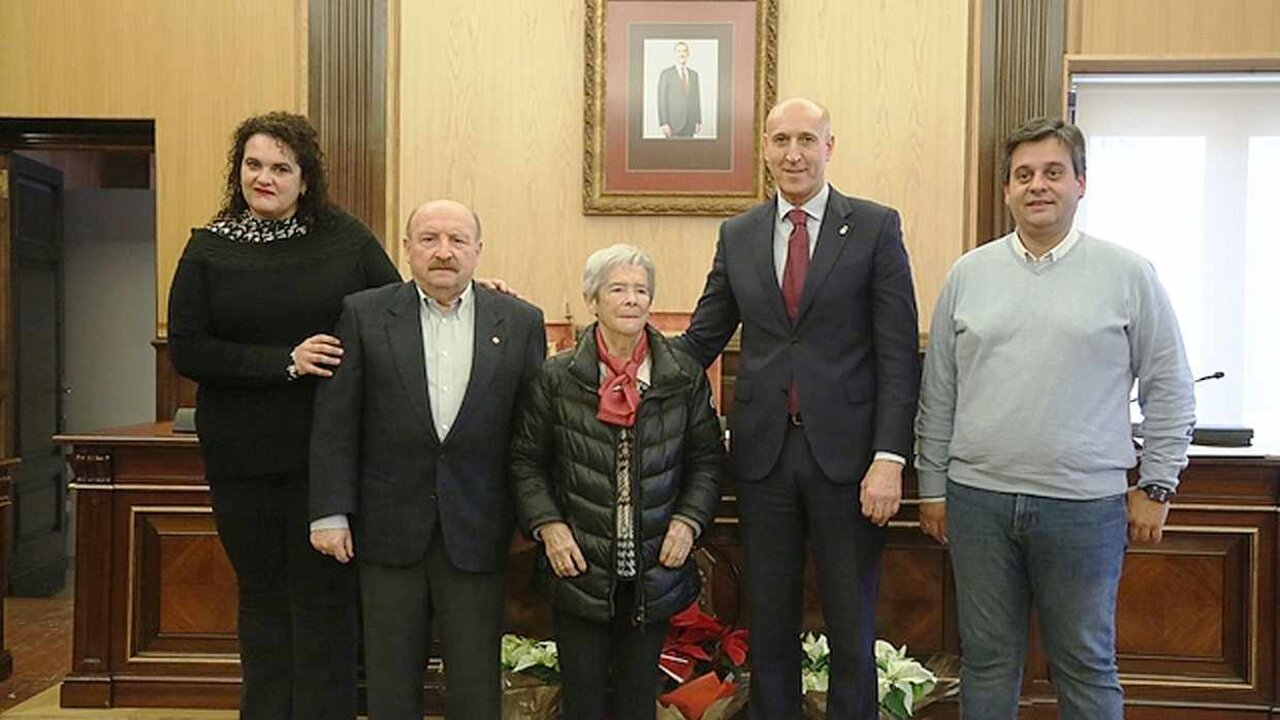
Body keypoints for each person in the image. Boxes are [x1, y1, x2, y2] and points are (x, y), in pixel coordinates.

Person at [915, 116, 1196, 720]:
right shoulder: (969, 275)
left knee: (1087, 664)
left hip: (1085, 509)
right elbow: (938, 394)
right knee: (986, 662)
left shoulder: (1128, 274)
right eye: (1023, 175)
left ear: (1081, 183)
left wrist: (1159, 483)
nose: (1037, 185)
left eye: (1052, 173)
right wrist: (932, 488)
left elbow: (1169, 387)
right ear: (1007, 191)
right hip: (978, 503)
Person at [674, 97, 921, 719]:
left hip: (852, 465)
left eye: (807, 140)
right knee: (770, 620)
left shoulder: (874, 226)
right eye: (781, 139)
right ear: (764, 148)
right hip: (762, 460)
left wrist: (890, 457)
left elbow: (898, 355)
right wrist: (614, 351)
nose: (794, 153)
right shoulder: (739, 234)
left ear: (830, 147)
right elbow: (702, 338)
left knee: (850, 620)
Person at [167, 111, 401, 719]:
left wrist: (476, 295)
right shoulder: (208, 247)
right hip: (242, 460)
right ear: (237, 170)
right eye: (253, 165)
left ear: (305, 177)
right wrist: (285, 362)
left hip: (326, 459)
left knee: (325, 604)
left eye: (280, 167)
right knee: (263, 601)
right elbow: (188, 349)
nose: (264, 178)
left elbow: (399, 312)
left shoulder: (346, 240)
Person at [308, 199, 546, 720]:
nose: (444, 252)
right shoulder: (364, 314)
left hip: (480, 528)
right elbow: (336, 422)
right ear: (407, 249)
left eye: (458, 240)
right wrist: (329, 512)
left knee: (476, 682)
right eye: (430, 239)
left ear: (478, 251)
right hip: (386, 528)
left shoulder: (521, 321)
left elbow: (532, 432)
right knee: (391, 681)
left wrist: (538, 519)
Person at [510, 244, 724, 720]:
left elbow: (707, 461)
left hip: (654, 565)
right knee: (582, 700)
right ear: (593, 300)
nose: (632, 299)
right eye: (618, 289)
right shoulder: (556, 377)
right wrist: (548, 525)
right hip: (579, 563)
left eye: (641, 290)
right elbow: (526, 461)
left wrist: (688, 523)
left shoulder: (681, 376)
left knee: (637, 700)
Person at [657, 41, 702, 138]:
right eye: (679, 51)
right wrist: (664, 123)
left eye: (684, 51)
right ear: (675, 54)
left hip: (690, 124)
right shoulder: (666, 74)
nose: (682, 54)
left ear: (688, 54)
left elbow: (697, 99)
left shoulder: (694, 75)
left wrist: (698, 121)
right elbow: (661, 100)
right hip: (673, 124)